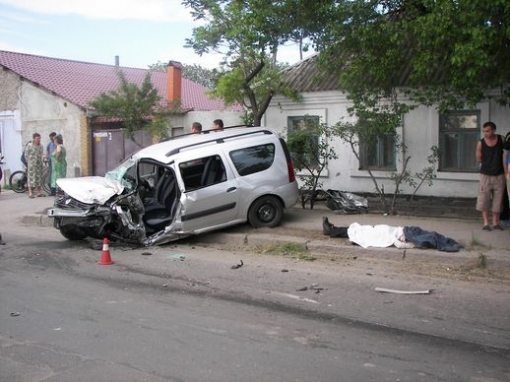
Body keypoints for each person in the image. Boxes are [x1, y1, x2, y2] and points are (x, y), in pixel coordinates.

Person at [475, 121, 505, 231]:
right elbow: (478, 158)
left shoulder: (501, 139)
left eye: (487, 131)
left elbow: (506, 154)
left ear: (493, 130)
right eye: (484, 131)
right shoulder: (481, 143)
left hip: (499, 174)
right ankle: (486, 223)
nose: (485, 133)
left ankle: (496, 222)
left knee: (498, 199)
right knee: (484, 198)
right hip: (485, 174)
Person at [24, 132, 45, 198]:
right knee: (31, 178)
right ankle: (30, 193)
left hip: (39, 164)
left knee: (39, 178)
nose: (39, 140)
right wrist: (29, 162)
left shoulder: (41, 146)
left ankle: (39, 192)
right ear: (34, 139)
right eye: (37, 138)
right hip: (31, 165)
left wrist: (43, 158)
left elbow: (42, 153)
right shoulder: (29, 145)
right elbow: (26, 155)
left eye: (39, 138)